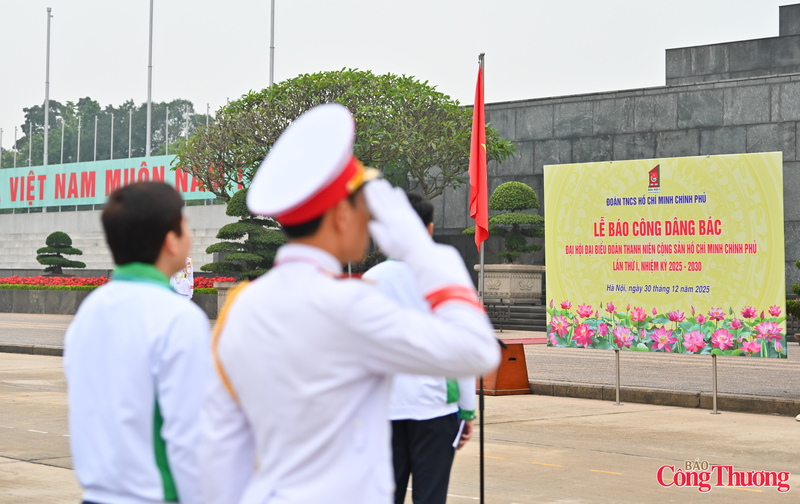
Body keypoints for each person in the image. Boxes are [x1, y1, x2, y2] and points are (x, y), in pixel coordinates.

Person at [199, 103, 500, 504]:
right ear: (341, 215)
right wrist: (422, 250)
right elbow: (478, 350)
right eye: (365, 209)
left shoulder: (241, 307)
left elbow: (219, 451)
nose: (370, 223)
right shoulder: (349, 306)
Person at [64, 182, 211, 504]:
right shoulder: (179, 318)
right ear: (171, 240)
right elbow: (190, 436)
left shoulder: (89, 311)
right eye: (185, 225)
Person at [363, 192, 475, 504]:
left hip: (384, 410)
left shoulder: (370, 280)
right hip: (435, 409)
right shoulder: (446, 278)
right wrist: (467, 409)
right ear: (429, 228)